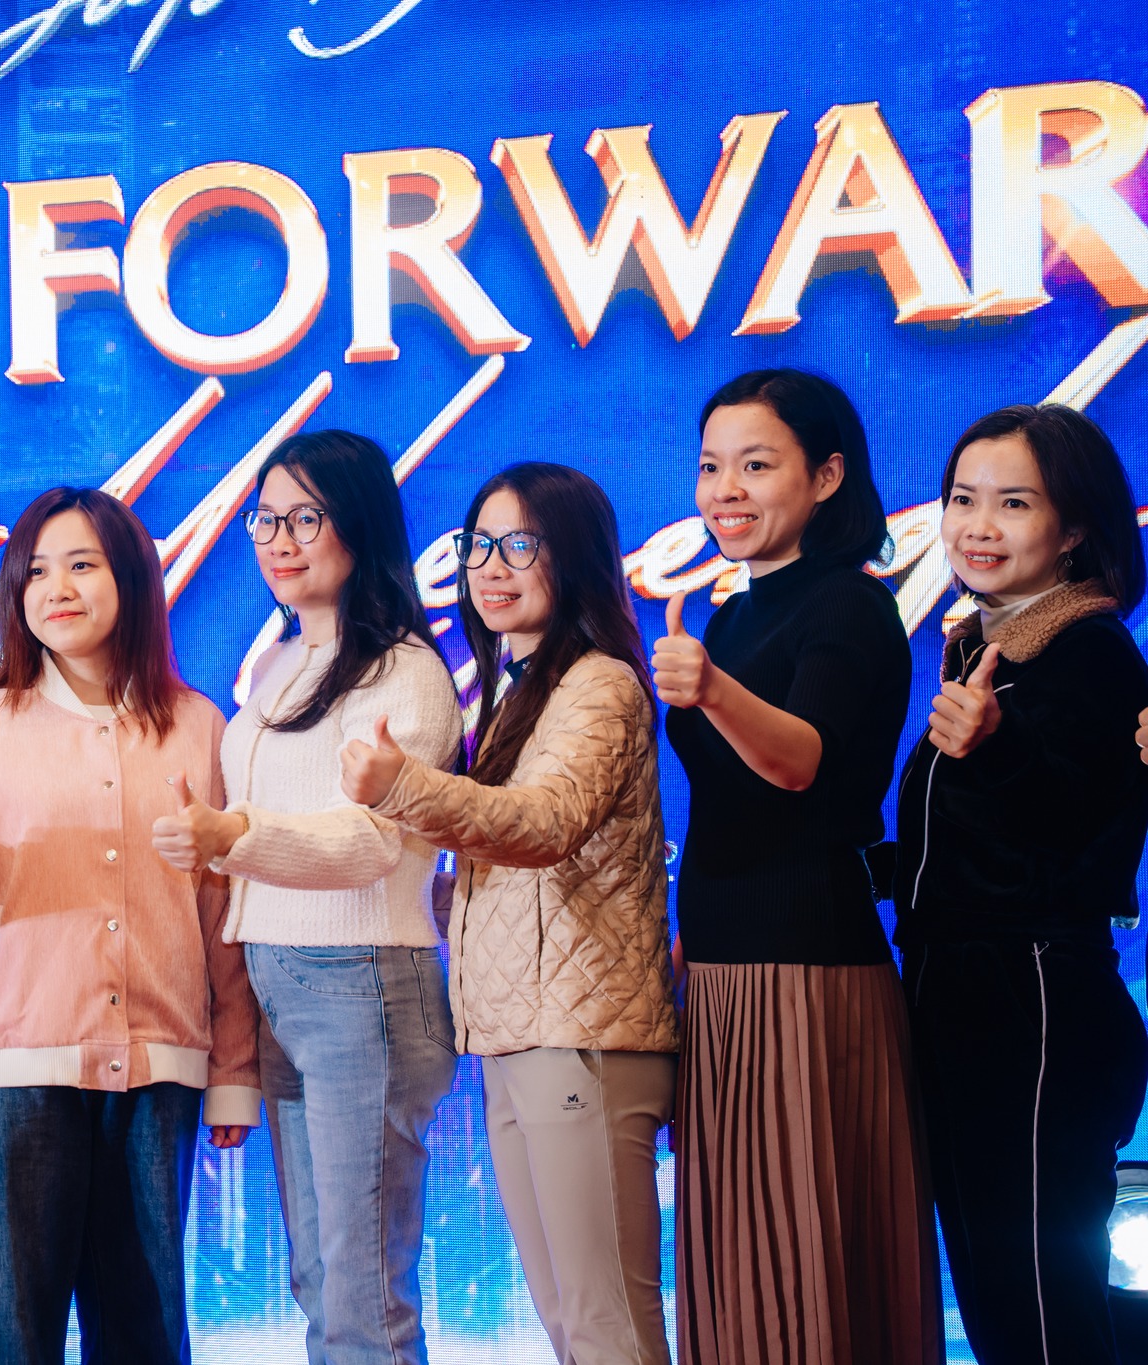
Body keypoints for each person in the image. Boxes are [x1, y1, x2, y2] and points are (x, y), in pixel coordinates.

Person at [0, 486, 258, 1365]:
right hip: (17, 1065)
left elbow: (224, 910)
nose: (56, 588)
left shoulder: (200, 725)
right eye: (36, 571)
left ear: (130, 576)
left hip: (161, 1064)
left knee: (144, 1335)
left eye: (82, 564)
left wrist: (235, 1069)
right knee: (18, 1335)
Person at [339, 462, 677, 1365]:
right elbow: (501, 863)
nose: (491, 565)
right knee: (569, 1321)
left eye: (520, 543)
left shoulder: (600, 684)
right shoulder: (517, 691)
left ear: (575, 556)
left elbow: (544, 823)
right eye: (479, 543)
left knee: (607, 1321)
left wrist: (404, 787)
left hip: (584, 1035)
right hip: (519, 1035)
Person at [149, 430, 462, 1365]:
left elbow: (372, 842)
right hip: (281, 982)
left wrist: (231, 836)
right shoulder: (281, 662)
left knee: (362, 1292)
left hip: (362, 981)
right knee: (320, 1279)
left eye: (305, 519)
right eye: (265, 519)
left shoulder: (405, 672)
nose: (279, 541)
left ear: (359, 525)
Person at [654, 369, 941, 1365]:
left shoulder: (850, 606)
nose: (724, 491)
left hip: (808, 970)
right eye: (710, 468)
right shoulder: (733, 614)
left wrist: (712, 691)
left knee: (804, 1251)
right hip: (723, 966)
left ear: (825, 476)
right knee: (739, 1252)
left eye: (755, 465)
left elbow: (799, 762)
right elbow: (728, 807)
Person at [890, 404, 1148, 1365]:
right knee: (1002, 1304)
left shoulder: (1089, 649)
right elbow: (960, 845)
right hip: (960, 992)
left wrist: (997, 748)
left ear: (1073, 528)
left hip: (1033, 995)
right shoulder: (983, 642)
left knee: (1039, 1306)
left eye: (1013, 503)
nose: (978, 525)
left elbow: (1081, 825)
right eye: (964, 499)